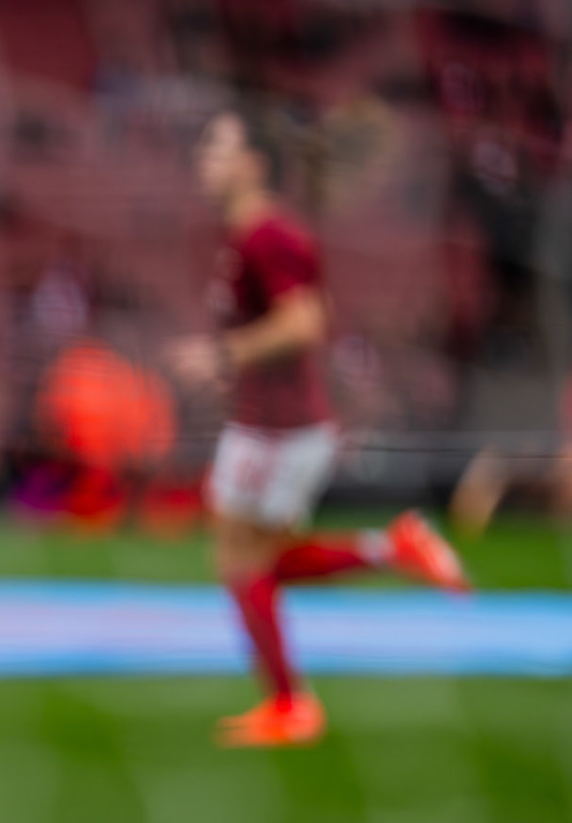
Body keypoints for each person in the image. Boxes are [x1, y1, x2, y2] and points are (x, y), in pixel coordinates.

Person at [167, 108, 469, 748]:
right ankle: (392, 550)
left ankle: (290, 704)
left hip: (279, 429)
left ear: (253, 164)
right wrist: (239, 361)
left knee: (240, 561)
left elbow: (306, 322)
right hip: (271, 422)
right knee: (251, 559)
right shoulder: (251, 235)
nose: (203, 159)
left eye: (216, 147)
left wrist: (222, 356)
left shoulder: (267, 236)